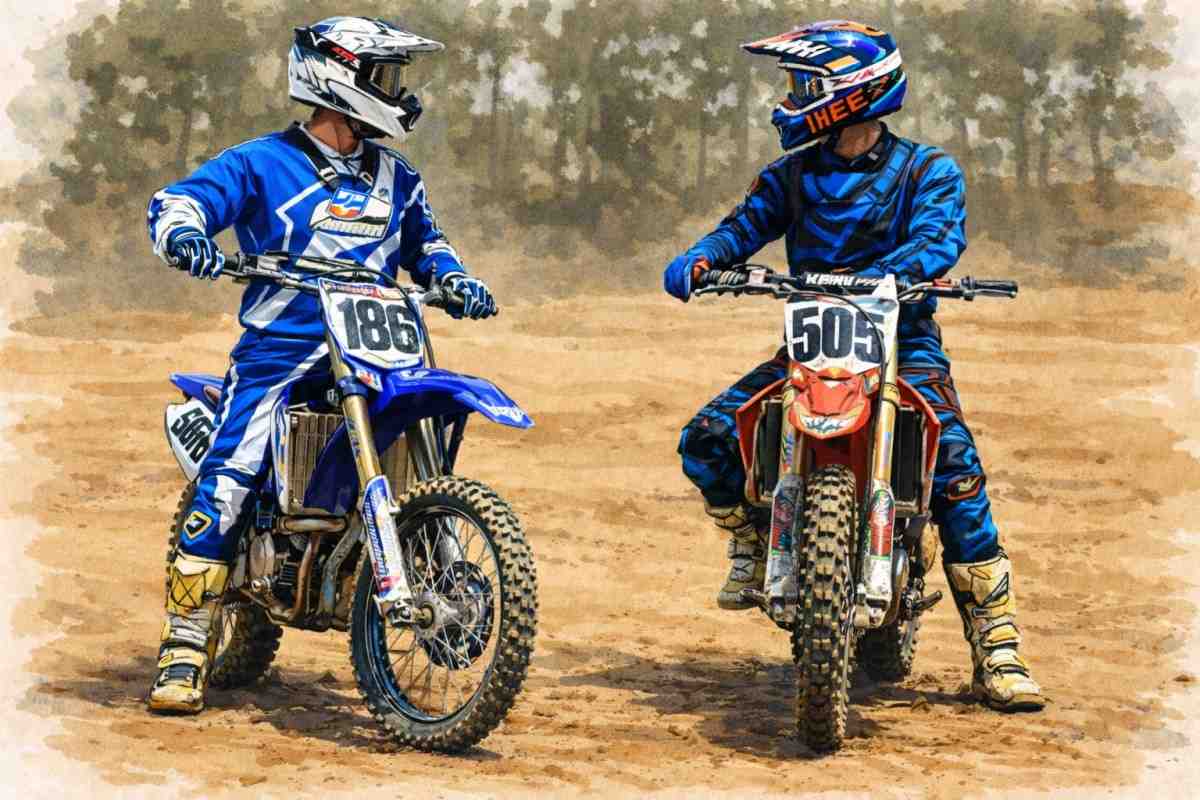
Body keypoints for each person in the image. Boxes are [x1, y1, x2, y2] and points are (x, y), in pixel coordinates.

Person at [662, 21, 1042, 712]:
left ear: (848, 92)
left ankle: (998, 648)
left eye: (802, 86)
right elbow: (744, 225)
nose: (790, 100)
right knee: (708, 437)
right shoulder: (792, 175)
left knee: (956, 474)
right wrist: (704, 257)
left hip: (903, 345)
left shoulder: (928, 171)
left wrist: (891, 274)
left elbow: (938, 238)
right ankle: (753, 543)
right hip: (811, 344)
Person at [144, 16, 497, 714]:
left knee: (425, 443)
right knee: (232, 474)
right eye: (383, 77)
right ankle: (184, 644)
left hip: (378, 348)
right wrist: (186, 235)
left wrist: (454, 278)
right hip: (283, 351)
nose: (396, 92)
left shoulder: (398, 178)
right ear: (337, 80)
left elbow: (428, 245)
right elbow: (179, 201)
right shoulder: (260, 163)